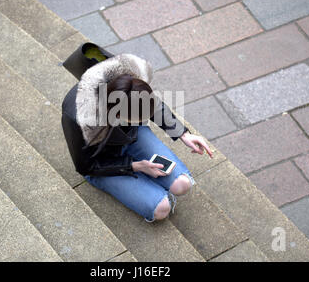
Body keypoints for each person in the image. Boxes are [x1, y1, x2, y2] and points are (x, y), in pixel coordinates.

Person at [61, 46, 213, 222]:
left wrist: (183, 134)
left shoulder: (126, 76)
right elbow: (85, 165)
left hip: (131, 137)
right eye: (136, 119)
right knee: (161, 209)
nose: (143, 121)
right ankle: (145, 185)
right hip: (101, 160)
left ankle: (145, 184)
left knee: (182, 184)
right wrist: (136, 166)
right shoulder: (78, 117)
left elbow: (152, 104)